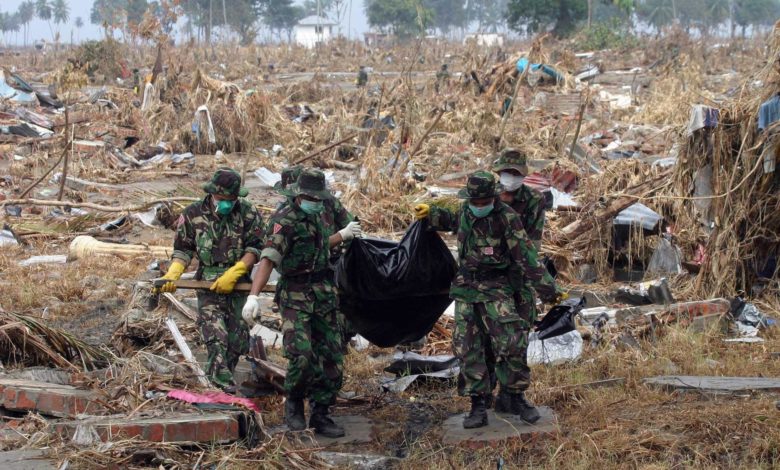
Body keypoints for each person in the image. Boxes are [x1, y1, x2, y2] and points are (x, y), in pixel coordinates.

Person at [413, 171, 560, 429]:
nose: (479, 208)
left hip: (497, 289)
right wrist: (431, 214)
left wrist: (549, 290)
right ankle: (478, 405)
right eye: (475, 203)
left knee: (512, 342)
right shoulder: (466, 212)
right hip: (466, 290)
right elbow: (452, 218)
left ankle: (515, 397)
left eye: (484, 203)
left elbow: (527, 257)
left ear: (493, 198)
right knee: (468, 348)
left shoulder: (507, 218)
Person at [242, 169, 361, 437]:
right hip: (295, 294)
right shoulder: (284, 220)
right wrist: (253, 296)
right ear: (298, 195)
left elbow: (320, 248)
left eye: (319, 199)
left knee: (332, 356)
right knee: (302, 355)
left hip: (324, 293)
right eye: (311, 198)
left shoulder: (319, 214)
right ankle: (294, 403)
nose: (316, 203)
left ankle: (321, 413)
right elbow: (269, 258)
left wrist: (342, 235)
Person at [155, 168, 264, 391]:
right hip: (208, 286)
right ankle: (221, 388)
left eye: (230, 200)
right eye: (221, 199)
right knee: (216, 337)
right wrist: (173, 273)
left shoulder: (248, 213)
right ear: (212, 194)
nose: (225, 203)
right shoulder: (193, 213)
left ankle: (223, 379)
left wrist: (236, 270)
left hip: (239, 284)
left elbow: (256, 247)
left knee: (238, 341)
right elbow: (183, 249)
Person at [489, 148, 559, 414]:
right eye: (507, 172)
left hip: (519, 275)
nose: (511, 178)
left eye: (516, 174)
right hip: (488, 280)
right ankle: (483, 395)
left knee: (517, 336)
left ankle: (513, 394)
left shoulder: (533, 199)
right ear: (498, 172)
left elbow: (531, 245)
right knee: (486, 340)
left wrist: (541, 283)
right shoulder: (485, 195)